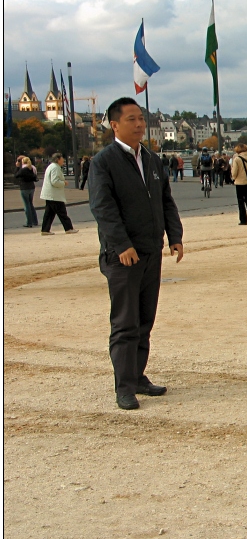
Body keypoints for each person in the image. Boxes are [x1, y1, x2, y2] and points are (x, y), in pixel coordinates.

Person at [87, 96, 184, 411]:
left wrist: (175, 236)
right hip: (123, 257)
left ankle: (138, 376)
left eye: (141, 118)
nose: (139, 124)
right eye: (131, 119)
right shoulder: (104, 162)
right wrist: (121, 244)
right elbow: (103, 207)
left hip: (151, 250)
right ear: (114, 125)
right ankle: (124, 387)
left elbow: (165, 201)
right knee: (125, 323)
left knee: (145, 319)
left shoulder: (153, 160)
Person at [40, 153, 78, 235]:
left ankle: (45, 229)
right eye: (62, 159)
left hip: (50, 194)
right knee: (62, 212)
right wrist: (63, 183)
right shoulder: (55, 168)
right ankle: (68, 228)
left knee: (49, 213)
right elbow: (54, 181)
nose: (63, 160)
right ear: (58, 159)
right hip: (54, 195)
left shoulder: (51, 166)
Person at [15, 156, 39, 228]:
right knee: (30, 203)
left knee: (27, 205)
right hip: (31, 187)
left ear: (22, 161)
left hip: (24, 187)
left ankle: (29, 222)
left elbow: (16, 175)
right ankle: (35, 221)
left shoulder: (22, 169)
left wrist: (17, 167)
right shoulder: (32, 168)